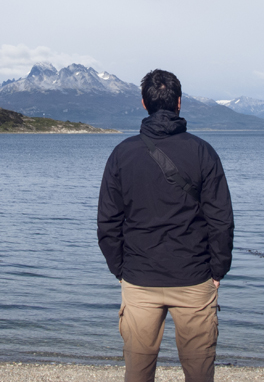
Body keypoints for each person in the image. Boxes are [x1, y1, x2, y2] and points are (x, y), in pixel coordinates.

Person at [97, 69, 234, 382]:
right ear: (179, 103)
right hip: (194, 280)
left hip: (139, 281)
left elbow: (107, 223)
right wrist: (217, 271)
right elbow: (221, 220)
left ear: (144, 104)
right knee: (200, 374)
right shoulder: (203, 153)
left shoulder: (122, 155)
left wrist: (121, 270)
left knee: (138, 375)